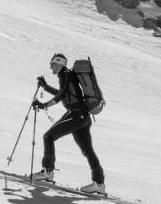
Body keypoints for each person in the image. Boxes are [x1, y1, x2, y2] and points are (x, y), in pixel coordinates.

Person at [31, 53, 106, 194]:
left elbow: (60, 96)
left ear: (59, 64)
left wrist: (43, 105)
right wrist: (45, 86)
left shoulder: (65, 74)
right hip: (83, 117)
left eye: (52, 63)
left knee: (48, 137)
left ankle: (48, 172)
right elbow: (63, 93)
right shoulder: (66, 75)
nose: (50, 66)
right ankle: (99, 183)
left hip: (76, 114)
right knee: (88, 151)